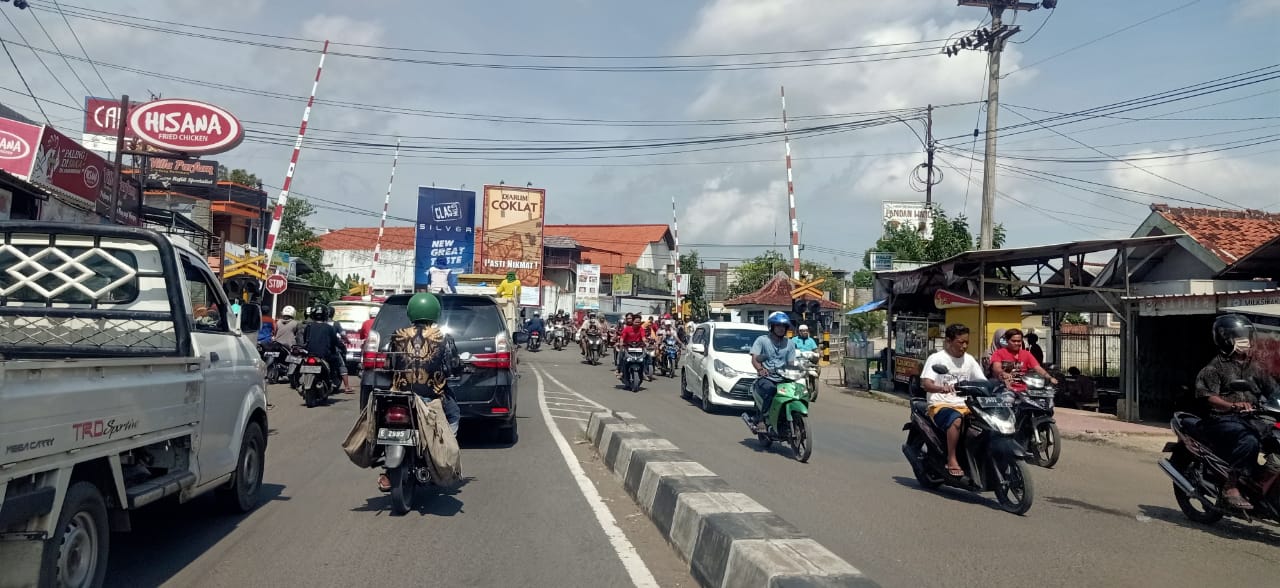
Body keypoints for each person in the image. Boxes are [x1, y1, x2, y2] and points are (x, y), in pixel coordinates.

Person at [378, 292, 464, 492]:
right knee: (454, 413)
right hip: (432, 396)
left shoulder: (397, 334)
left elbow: (388, 364)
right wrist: (460, 367)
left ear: (410, 312)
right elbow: (452, 366)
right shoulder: (443, 337)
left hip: (400, 395)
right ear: (435, 312)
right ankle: (441, 450)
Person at [1194, 314, 1280, 510]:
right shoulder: (1214, 367)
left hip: (1252, 418)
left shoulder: (1256, 368)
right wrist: (1232, 405)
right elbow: (1207, 396)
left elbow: (1273, 390)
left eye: (1247, 336)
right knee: (1249, 441)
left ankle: (1264, 484)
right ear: (1225, 339)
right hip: (1221, 419)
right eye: (1239, 336)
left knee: (1274, 439)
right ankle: (1230, 486)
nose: (1245, 341)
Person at [920, 324, 987, 480]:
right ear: (948, 341)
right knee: (956, 420)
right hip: (940, 404)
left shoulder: (969, 360)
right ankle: (951, 459)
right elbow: (926, 384)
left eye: (966, 343)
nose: (964, 346)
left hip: (966, 405)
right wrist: (940, 388)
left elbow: (982, 382)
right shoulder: (936, 359)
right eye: (960, 342)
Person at [747, 312, 798, 433]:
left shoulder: (790, 343)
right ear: (772, 327)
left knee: (798, 391)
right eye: (778, 326)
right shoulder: (762, 340)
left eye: (783, 326)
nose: (781, 329)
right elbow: (755, 358)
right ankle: (762, 418)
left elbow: (791, 362)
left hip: (783, 377)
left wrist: (795, 372)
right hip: (767, 378)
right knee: (770, 390)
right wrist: (760, 369)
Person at [990, 328, 1058, 392]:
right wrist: (1003, 373)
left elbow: (1038, 368)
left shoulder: (1027, 354)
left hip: (1025, 388)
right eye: (1013, 341)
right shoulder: (999, 353)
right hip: (1005, 388)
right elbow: (996, 368)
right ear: (1007, 341)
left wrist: (1049, 377)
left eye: (1019, 341)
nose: (1016, 343)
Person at [300, 305, 347, 396]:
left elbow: (305, 339)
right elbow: (335, 341)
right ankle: (333, 380)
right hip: (324, 355)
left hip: (310, 354)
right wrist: (342, 346)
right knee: (336, 362)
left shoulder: (308, 326)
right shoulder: (329, 328)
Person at [615, 313, 649, 378]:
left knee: (646, 355)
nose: (638, 323)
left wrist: (646, 342)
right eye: (636, 322)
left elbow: (643, 337)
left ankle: (644, 372)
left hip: (638, 347)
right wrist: (621, 343)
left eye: (639, 322)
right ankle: (621, 371)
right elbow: (622, 337)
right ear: (632, 321)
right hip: (627, 346)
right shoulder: (627, 328)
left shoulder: (641, 329)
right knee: (622, 355)